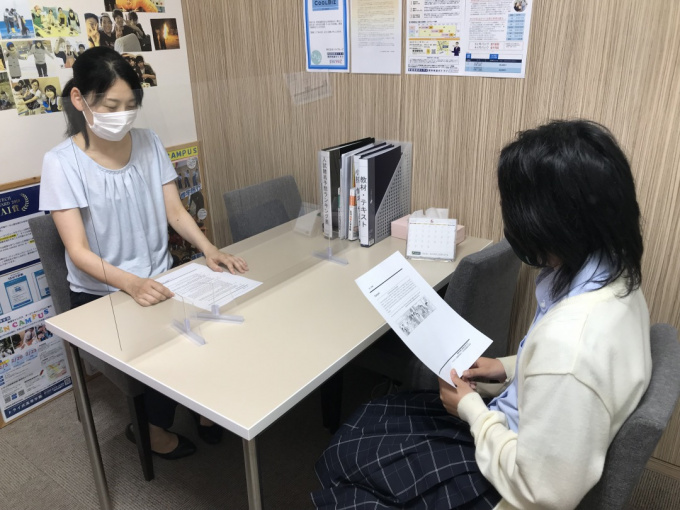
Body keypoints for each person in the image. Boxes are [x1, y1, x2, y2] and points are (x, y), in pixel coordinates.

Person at [312, 120, 650, 509]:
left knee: (349, 459)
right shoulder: (615, 276)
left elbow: (544, 492)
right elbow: (559, 380)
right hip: (517, 431)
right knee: (374, 417)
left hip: (509, 481)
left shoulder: (571, 345)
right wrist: (504, 367)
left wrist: (471, 409)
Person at [39, 47, 248, 460]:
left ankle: (203, 408)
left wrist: (210, 249)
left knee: (221, 321)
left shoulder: (149, 142)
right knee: (163, 353)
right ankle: (149, 430)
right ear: (80, 99)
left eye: (130, 105)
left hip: (161, 276)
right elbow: (78, 252)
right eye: (111, 106)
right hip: (102, 293)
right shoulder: (61, 163)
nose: (123, 115)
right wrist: (131, 284)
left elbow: (176, 212)